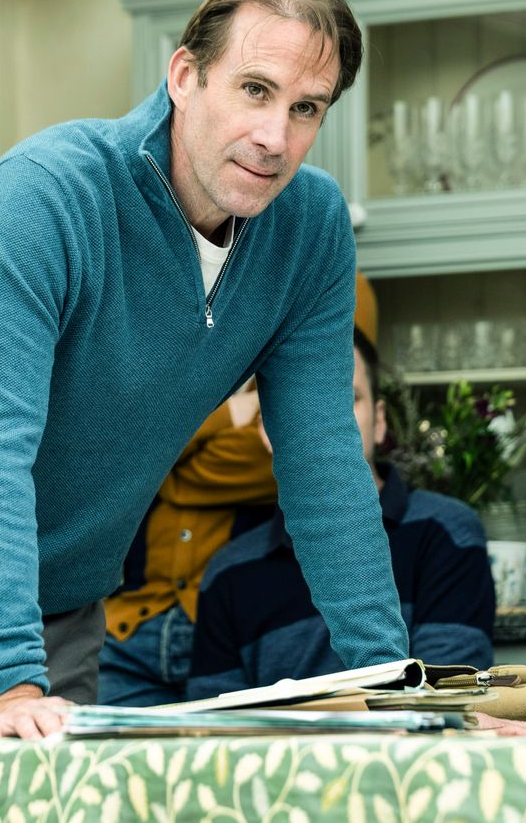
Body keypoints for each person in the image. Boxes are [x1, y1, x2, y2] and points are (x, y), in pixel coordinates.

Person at [0, 0, 411, 820]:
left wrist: (389, 685)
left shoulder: (310, 230)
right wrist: (7, 680)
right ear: (184, 76)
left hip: (61, 603)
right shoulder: (47, 194)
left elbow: (325, 461)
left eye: (307, 108)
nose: (275, 135)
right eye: (255, 90)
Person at [99, 272, 379, 706]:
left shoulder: (336, 275)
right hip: (130, 626)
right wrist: (231, 411)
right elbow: (130, 447)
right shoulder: (170, 274)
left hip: (235, 627)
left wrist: (171, 456)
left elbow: (310, 441)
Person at [187, 326, 497, 700]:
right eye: (298, 403)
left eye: (346, 398)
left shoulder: (445, 532)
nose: (326, 422)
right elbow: (216, 722)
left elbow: (448, 695)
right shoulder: (228, 572)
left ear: (379, 422)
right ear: (267, 430)